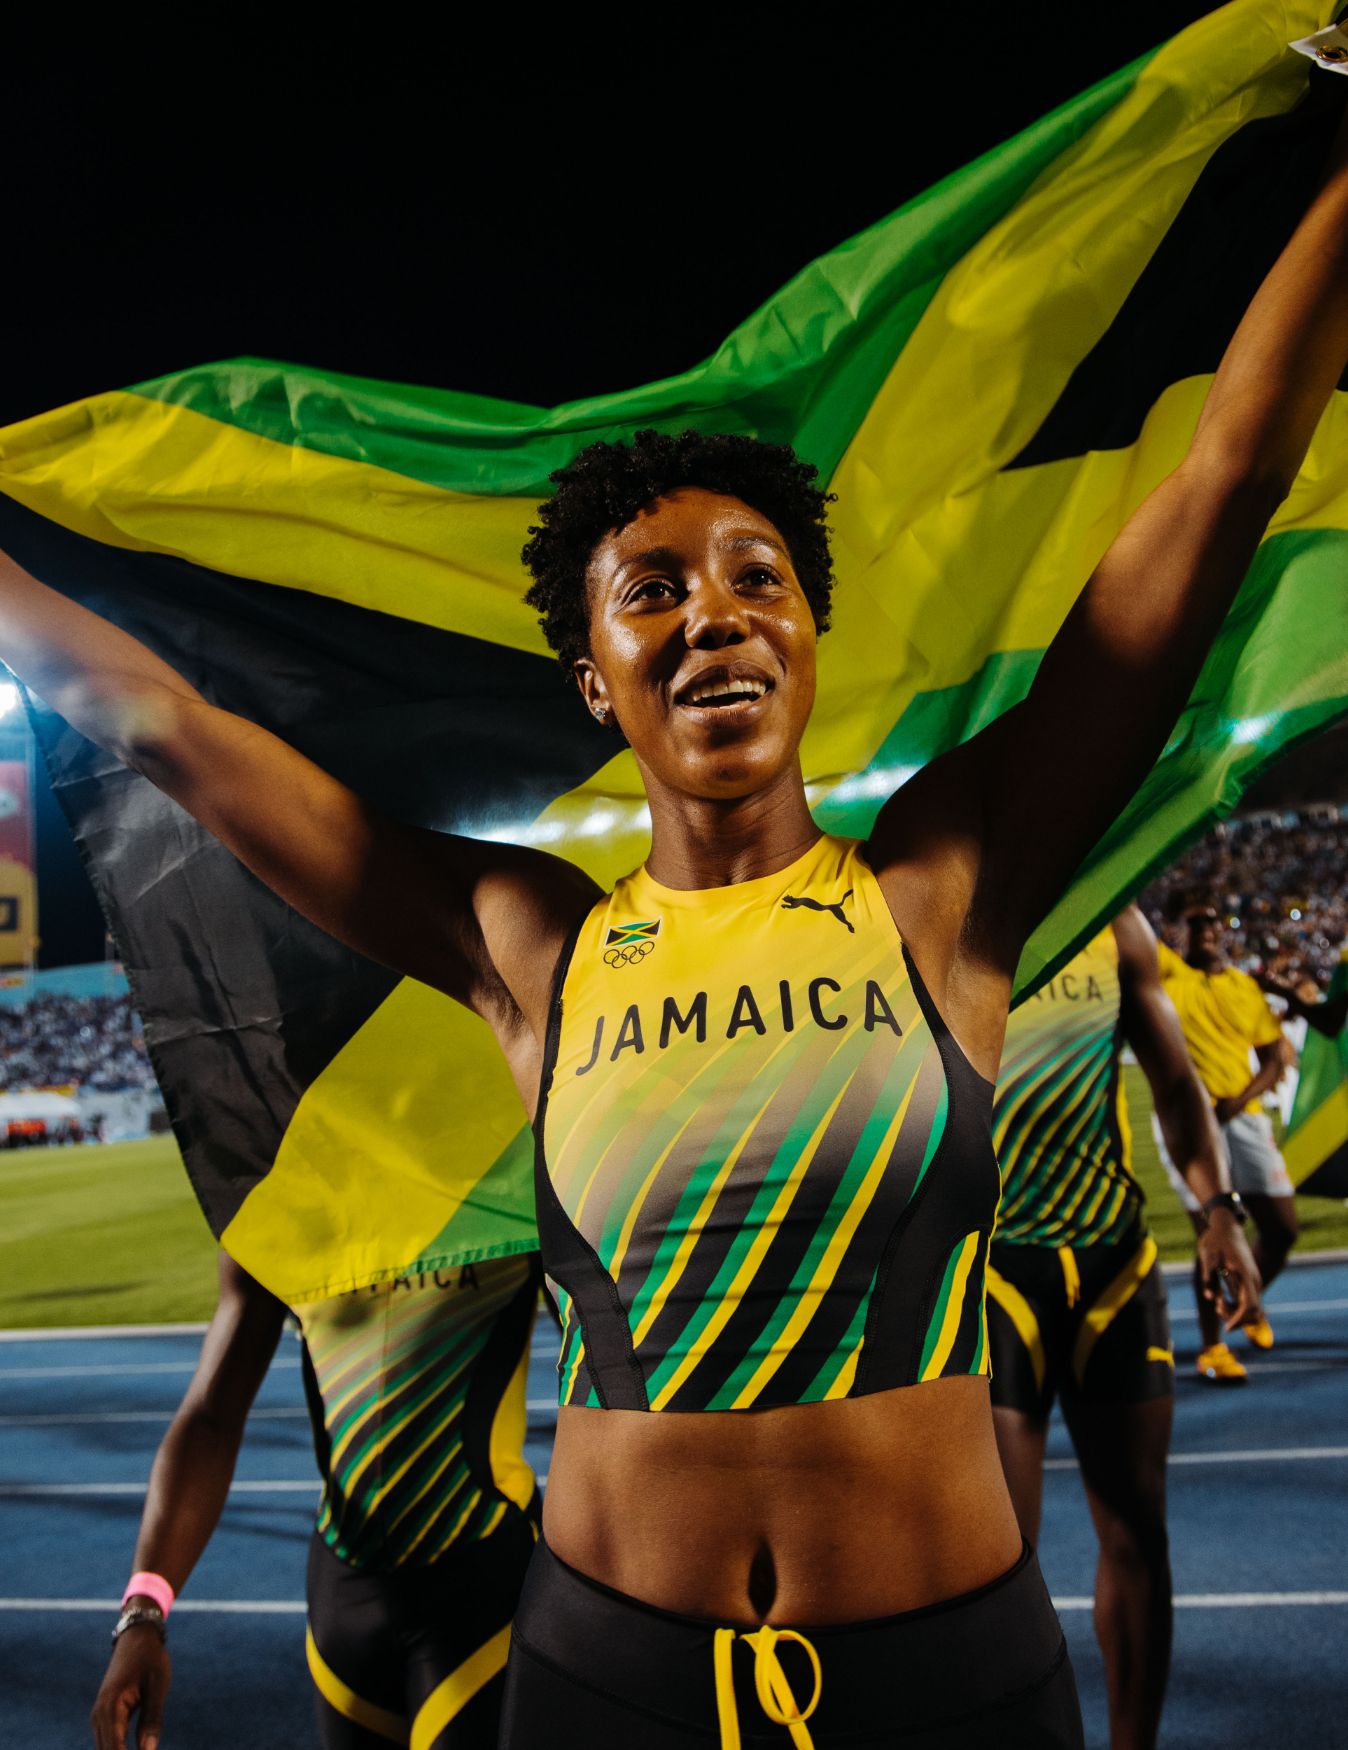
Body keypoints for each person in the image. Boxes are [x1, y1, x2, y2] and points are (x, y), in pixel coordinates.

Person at [8, 90, 1348, 1750]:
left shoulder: (944, 880)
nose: (712, 614)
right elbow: (167, 729)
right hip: (603, 1678)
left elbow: (1224, 471)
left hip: (942, 1681)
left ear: (805, 638)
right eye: (653, 590)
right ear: (594, 678)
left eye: (755, 577)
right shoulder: (526, 944)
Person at [987, 906, 1260, 1750]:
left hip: (1115, 1261)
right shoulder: (952, 901)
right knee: (1000, 1561)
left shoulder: (1116, 923)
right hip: (994, 1270)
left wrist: (1218, 1210)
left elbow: (1175, 1082)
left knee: (1138, 1530)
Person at [90, 1249, 540, 1750]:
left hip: (484, 1594)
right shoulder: (283, 1191)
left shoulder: (506, 1180)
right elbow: (211, 1414)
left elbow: (607, 1356)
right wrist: (143, 1611)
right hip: (343, 1601)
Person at [1157, 904, 1299, 1369]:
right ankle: (1211, 1346)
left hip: (1244, 1115)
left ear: (1222, 934)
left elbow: (1274, 1058)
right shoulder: (1170, 977)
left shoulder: (1243, 986)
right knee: (1210, 1235)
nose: (1203, 931)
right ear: (1183, 933)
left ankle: (1246, 1295)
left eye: (1210, 924)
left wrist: (1239, 1099)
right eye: (1193, 924)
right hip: (1189, 1120)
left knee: (1281, 1228)